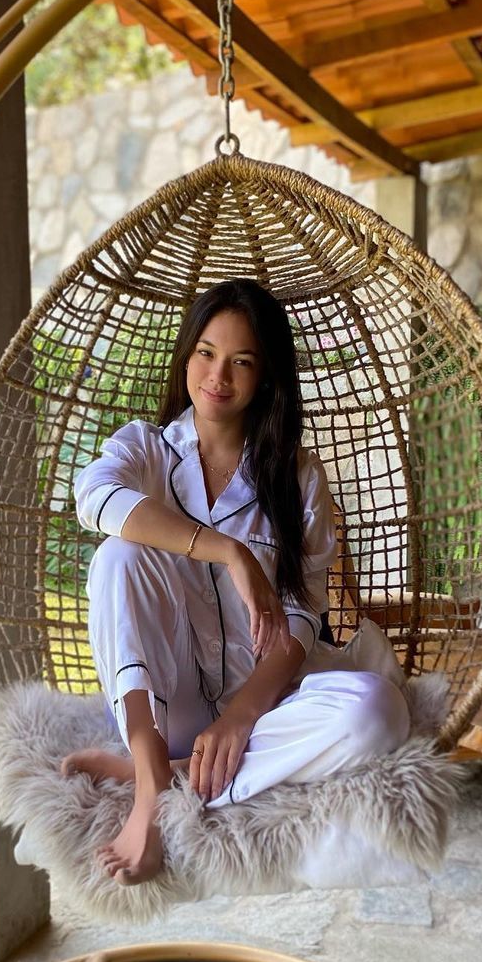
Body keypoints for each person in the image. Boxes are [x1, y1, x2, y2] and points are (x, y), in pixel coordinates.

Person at [63, 278, 411, 886]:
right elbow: (93, 498)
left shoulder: (298, 476)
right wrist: (230, 552)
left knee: (379, 713)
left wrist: (243, 714)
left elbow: (302, 615)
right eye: (206, 352)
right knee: (118, 556)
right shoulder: (146, 449)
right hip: (167, 706)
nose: (218, 375)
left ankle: (176, 774)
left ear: (266, 375)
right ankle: (150, 786)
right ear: (186, 356)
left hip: (267, 706)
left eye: (241, 361)